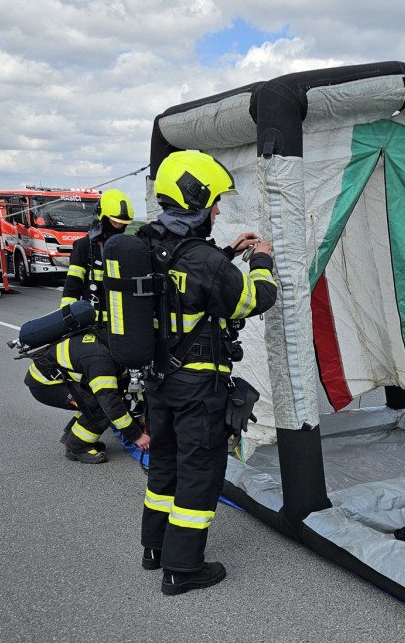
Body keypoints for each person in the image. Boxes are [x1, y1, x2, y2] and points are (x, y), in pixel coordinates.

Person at [137, 150, 277, 596]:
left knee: (164, 466)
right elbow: (254, 300)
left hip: (158, 381)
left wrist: (227, 253)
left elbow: (183, 283)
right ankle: (182, 569)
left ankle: (155, 548)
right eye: (214, 201)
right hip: (197, 387)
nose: (217, 211)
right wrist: (260, 262)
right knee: (199, 472)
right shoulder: (203, 261)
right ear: (196, 200)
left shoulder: (147, 247)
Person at [24, 329, 150, 463]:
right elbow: (110, 402)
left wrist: (141, 420)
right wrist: (136, 436)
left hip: (58, 376)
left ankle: (72, 435)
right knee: (101, 405)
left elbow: (125, 389)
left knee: (96, 399)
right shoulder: (101, 362)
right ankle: (77, 446)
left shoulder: (111, 343)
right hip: (45, 385)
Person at [62, 189, 134, 319]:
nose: (119, 226)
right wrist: (67, 318)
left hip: (123, 321)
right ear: (103, 217)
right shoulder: (84, 246)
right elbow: (72, 286)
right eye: (114, 222)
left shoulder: (128, 247)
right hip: (92, 321)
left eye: (123, 224)